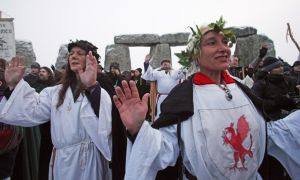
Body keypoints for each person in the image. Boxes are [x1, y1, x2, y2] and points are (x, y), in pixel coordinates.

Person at [113, 17, 300, 180]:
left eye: (225, 42)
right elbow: (165, 148)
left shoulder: (242, 89)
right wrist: (138, 128)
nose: (224, 48)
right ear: (196, 54)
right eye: (212, 43)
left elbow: (266, 135)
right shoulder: (184, 96)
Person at [0, 40, 114, 180]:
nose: (73, 56)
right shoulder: (55, 92)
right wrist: (13, 85)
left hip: (89, 159)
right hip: (62, 160)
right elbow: (33, 110)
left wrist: (91, 88)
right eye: (71, 53)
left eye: (79, 53)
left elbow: (107, 123)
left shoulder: (100, 88)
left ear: (91, 58)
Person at [142, 54, 185, 120]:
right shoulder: (157, 73)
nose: (165, 64)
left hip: (172, 96)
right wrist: (146, 62)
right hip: (161, 97)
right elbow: (149, 75)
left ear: (170, 65)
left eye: (167, 63)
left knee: (172, 113)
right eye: (163, 64)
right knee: (161, 113)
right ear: (161, 66)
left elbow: (184, 74)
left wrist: (186, 63)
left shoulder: (176, 72)